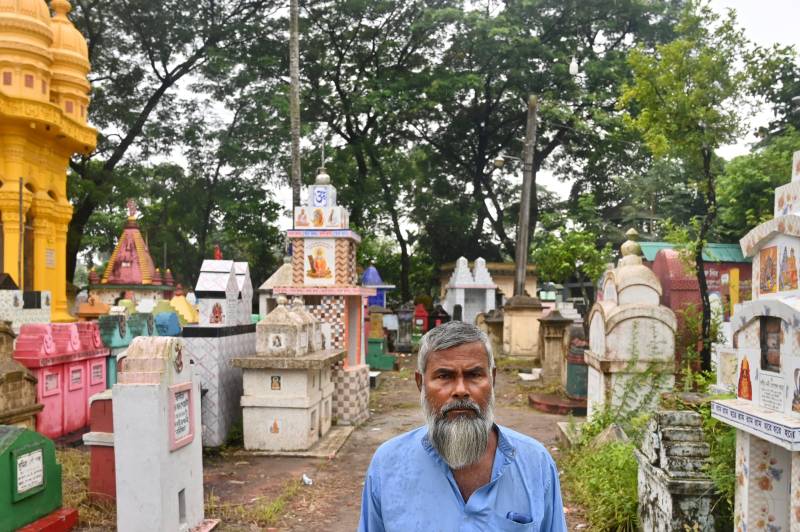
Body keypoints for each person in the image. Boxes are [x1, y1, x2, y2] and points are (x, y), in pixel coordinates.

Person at [358, 321, 567, 531]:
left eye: (474, 375)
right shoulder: (387, 465)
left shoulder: (536, 464)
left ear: (492, 379)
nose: (460, 390)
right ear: (420, 384)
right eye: (444, 376)